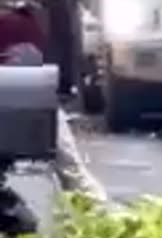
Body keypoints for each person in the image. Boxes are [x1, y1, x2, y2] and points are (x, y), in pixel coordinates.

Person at [0, 0, 106, 202]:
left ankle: (100, 214)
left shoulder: (22, 22)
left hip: (27, 90)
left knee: (73, 172)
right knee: (73, 173)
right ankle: (101, 215)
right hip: (28, 90)